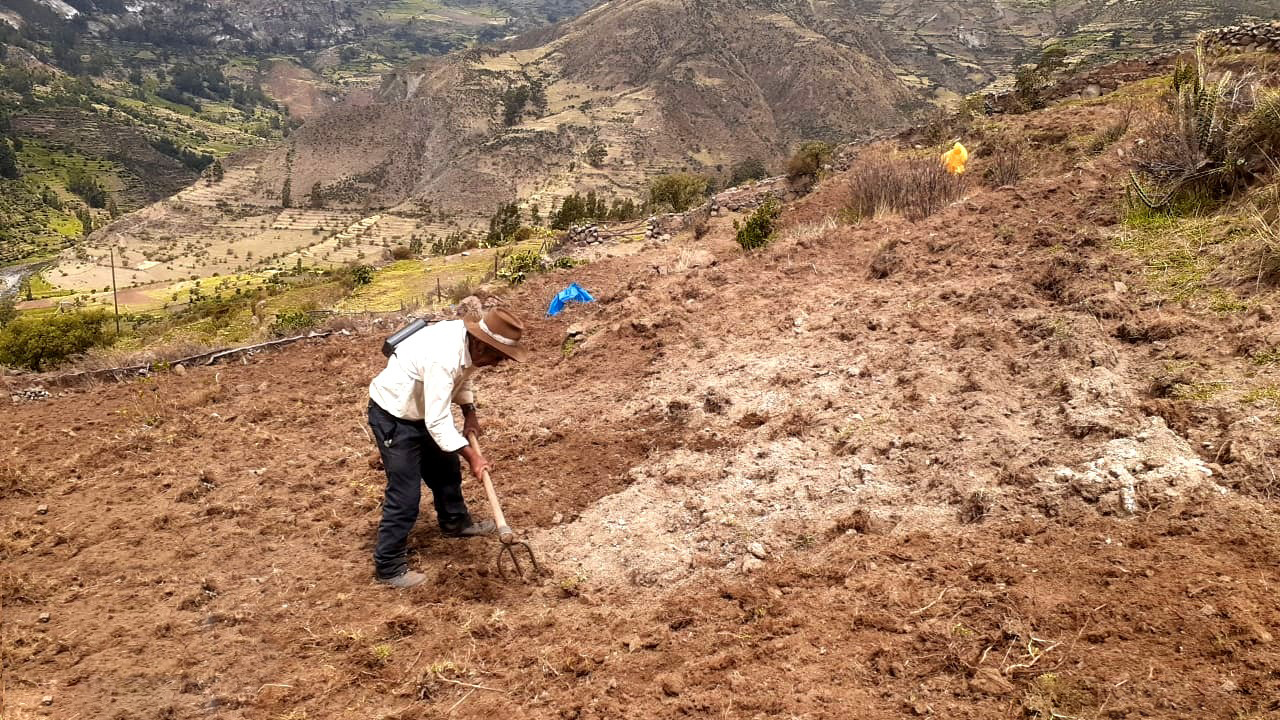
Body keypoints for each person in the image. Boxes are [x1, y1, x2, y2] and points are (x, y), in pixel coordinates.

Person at [367, 306, 529, 588]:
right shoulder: (442, 357)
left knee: (445, 471)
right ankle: (388, 566)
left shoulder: (467, 346)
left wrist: (469, 411)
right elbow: (438, 421)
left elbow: (463, 377)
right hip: (396, 415)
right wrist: (472, 457)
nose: (497, 363)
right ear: (480, 343)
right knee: (404, 495)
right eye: (496, 355)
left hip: (424, 412)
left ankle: (455, 523)